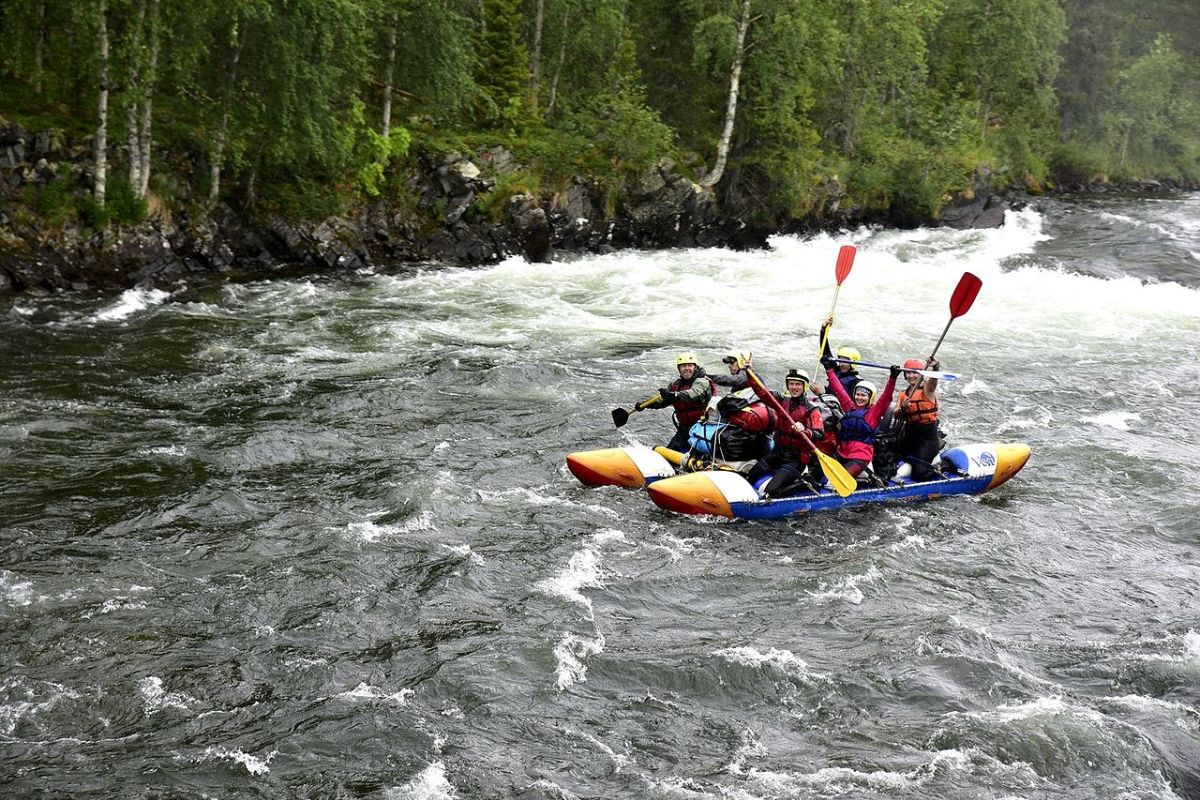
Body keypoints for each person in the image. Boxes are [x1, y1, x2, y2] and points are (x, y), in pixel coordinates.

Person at [747, 369, 827, 497]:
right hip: (777, 453)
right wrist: (749, 372)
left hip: (795, 460)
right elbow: (762, 392)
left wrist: (805, 431)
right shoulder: (781, 401)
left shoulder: (811, 409)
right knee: (750, 476)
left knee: (771, 491)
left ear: (804, 386)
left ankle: (801, 484)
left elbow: (820, 434)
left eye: (798, 384)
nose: (794, 387)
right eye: (791, 384)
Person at [821, 357, 901, 478]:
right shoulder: (849, 407)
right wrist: (829, 370)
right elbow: (838, 389)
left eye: (863, 395)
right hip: (842, 452)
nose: (859, 398)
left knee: (840, 477)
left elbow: (886, 397)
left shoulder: (873, 413)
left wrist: (893, 378)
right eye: (857, 394)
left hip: (860, 457)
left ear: (870, 398)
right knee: (819, 469)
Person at [643, 352, 716, 452]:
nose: (686, 368)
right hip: (684, 429)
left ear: (695, 367)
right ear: (679, 369)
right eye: (683, 366)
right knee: (668, 455)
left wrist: (673, 395)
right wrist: (645, 405)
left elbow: (692, 394)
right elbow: (663, 401)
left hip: (701, 428)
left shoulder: (702, 381)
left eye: (689, 365)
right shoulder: (676, 385)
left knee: (696, 459)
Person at [892, 357, 942, 481]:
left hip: (927, 437)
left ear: (921, 374)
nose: (911, 375)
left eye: (914, 372)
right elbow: (895, 414)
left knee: (919, 473)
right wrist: (902, 408)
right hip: (910, 434)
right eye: (908, 372)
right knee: (890, 461)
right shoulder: (903, 394)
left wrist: (935, 367)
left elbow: (933, 381)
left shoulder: (927, 388)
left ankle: (941, 467)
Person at [817, 317, 861, 395]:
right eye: (840, 361)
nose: (841, 364)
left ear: (853, 363)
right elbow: (826, 351)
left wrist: (820, 394)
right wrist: (823, 330)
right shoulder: (837, 371)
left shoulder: (857, 383)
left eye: (844, 361)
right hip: (827, 401)